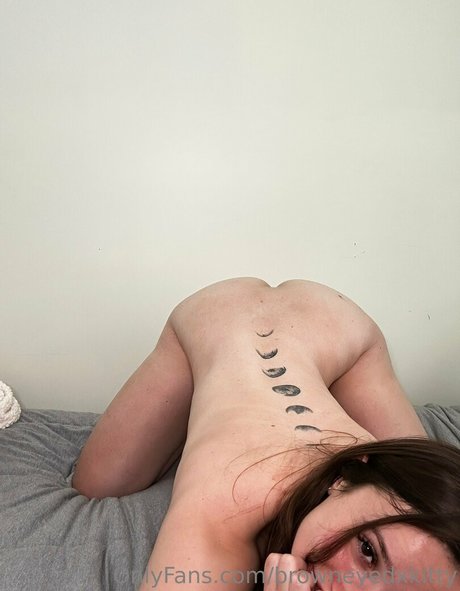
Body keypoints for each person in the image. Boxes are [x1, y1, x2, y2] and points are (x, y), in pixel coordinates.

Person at [72, 277, 460, 591]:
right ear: (345, 478)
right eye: (367, 551)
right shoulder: (231, 502)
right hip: (222, 313)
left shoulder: (386, 488)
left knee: (435, 502)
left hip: (344, 333)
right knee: (96, 483)